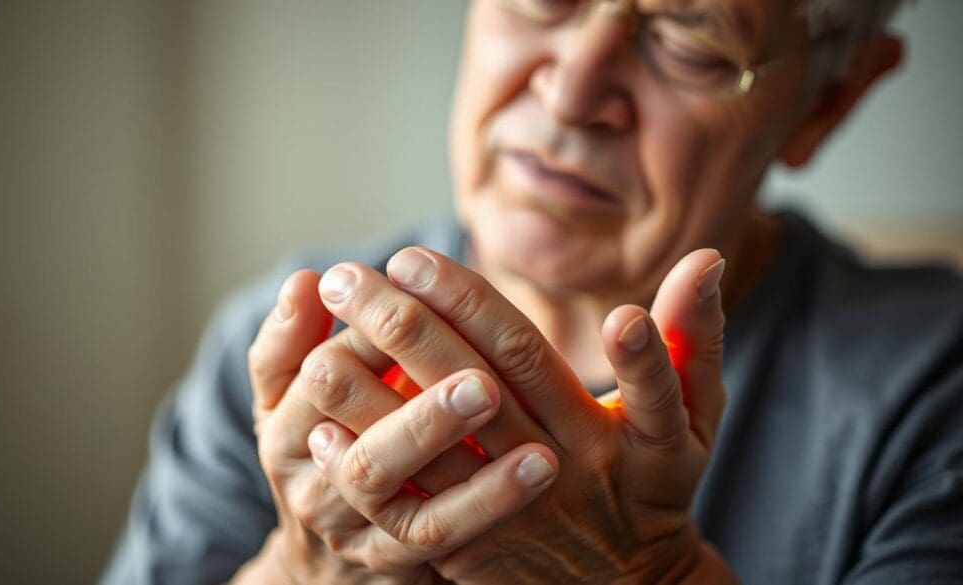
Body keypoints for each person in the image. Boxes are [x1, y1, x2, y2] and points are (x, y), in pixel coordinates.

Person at [103, 0, 963, 583]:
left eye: (691, 42)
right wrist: (304, 565)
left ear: (828, 102)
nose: (572, 88)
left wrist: (655, 575)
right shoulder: (284, 351)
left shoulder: (931, 389)